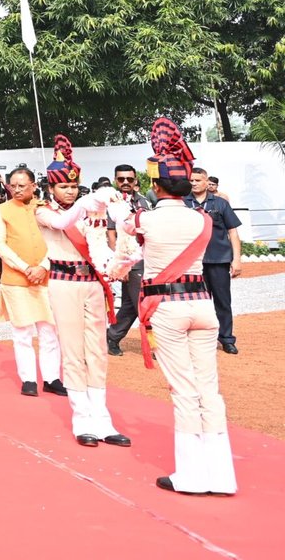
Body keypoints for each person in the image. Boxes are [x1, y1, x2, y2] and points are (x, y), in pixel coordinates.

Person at [110, 118, 236, 495]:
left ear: (155, 184)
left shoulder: (143, 218)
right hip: (202, 304)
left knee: (183, 391)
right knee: (208, 389)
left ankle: (192, 476)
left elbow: (124, 245)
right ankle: (221, 476)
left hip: (167, 307)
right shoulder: (200, 217)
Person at [36, 137, 131, 447]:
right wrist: (86, 204)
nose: (70, 191)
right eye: (64, 187)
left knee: (98, 351)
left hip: (92, 283)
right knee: (74, 351)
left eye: (74, 187)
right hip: (64, 282)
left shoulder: (91, 211)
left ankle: (102, 419)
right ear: (51, 189)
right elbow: (64, 221)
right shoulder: (42, 211)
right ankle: (81, 419)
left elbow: (101, 246)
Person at [0, 167, 64, 397]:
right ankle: (29, 379)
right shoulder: (2, 210)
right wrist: (25, 268)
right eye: (13, 185)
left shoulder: (45, 209)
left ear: (34, 186)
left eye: (22, 185)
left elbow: (57, 241)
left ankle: (52, 378)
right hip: (16, 279)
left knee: (49, 330)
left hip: (46, 277)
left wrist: (43, 266)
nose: (17, 189)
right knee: (22, 331)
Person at [186, 167, 243, 355]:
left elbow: (233, 231)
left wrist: (236, 260)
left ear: (206, 181)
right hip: (192, 263)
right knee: (193, 303)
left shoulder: (220, 203)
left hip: (218, 260)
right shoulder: (183, 204)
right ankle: (193, 340)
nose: (193, 183)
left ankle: (226, 339)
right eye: (191, 180)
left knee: (222, 302)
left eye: (197, 180)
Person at [106, 164, 152, 356]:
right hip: (128, 261)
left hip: (145, 258)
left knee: (130, 304)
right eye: (121, 179)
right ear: (116, 181)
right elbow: (110, 236)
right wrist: (121, 266)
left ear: (135, 181)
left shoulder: (144, 202)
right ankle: (155, 345)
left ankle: (112, 336)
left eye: (129, 179)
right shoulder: (111, 204)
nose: (125, 183)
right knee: (142, 303)